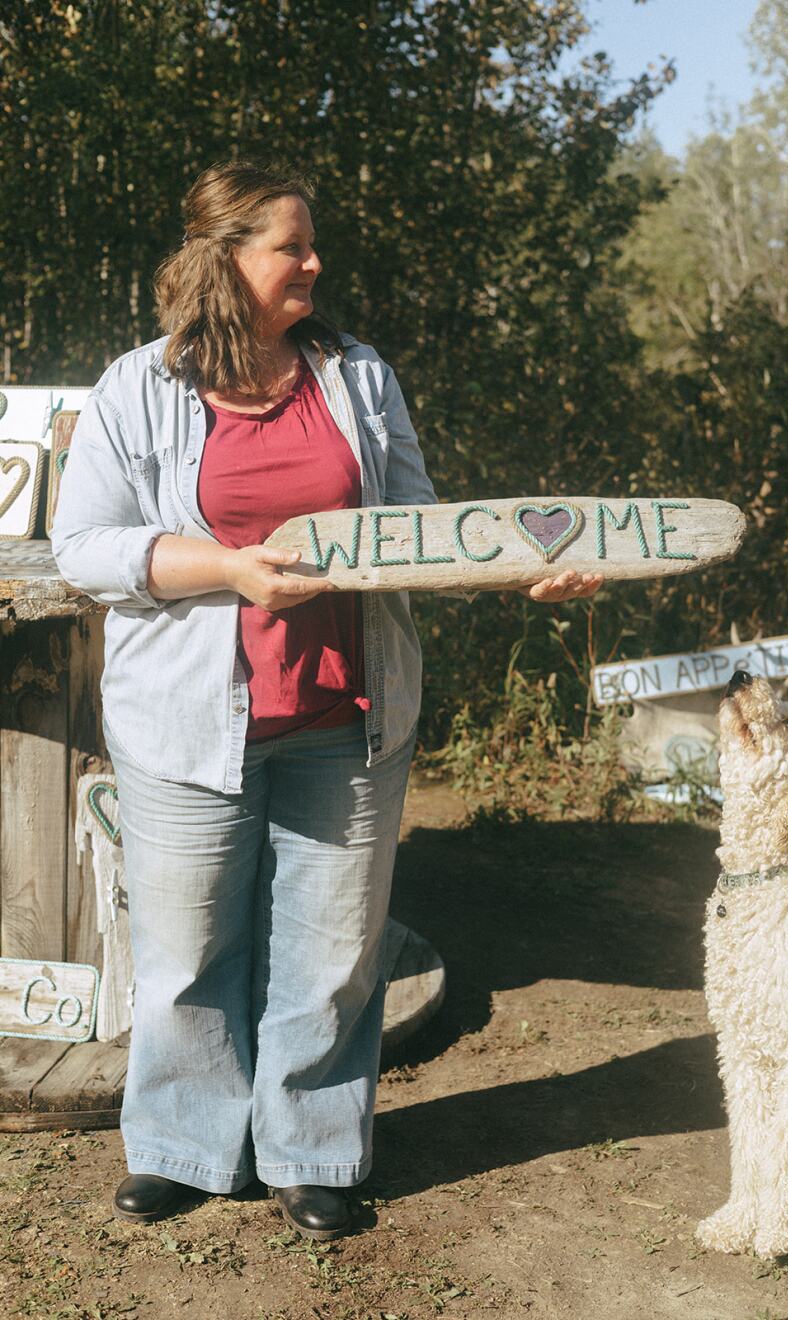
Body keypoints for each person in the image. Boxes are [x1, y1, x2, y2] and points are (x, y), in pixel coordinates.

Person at [50, 160, 602, 1239]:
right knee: (186, 948)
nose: (313, 264)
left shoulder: (356, 378)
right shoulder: (137, 389)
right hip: (186, 722)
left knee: (333, 949)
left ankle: (312, 1150)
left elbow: (418, 532)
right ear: (224, 259)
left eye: (311, 247)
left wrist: (518, 571)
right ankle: (181, 1145)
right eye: (289, 248)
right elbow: (85, 550)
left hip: (346, 717)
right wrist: (230, 568)